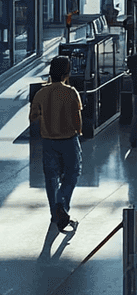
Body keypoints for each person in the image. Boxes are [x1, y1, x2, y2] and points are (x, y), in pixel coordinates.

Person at [29, 55, 83, 232]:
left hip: (49, 141)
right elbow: (77, 118)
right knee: (72, 173)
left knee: (51, 178)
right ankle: (62, 205)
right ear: (67, 72)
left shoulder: (41, 93)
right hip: (68, 140)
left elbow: (33, 117)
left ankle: (55, 214)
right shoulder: (70, 92)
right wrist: (79, 131)